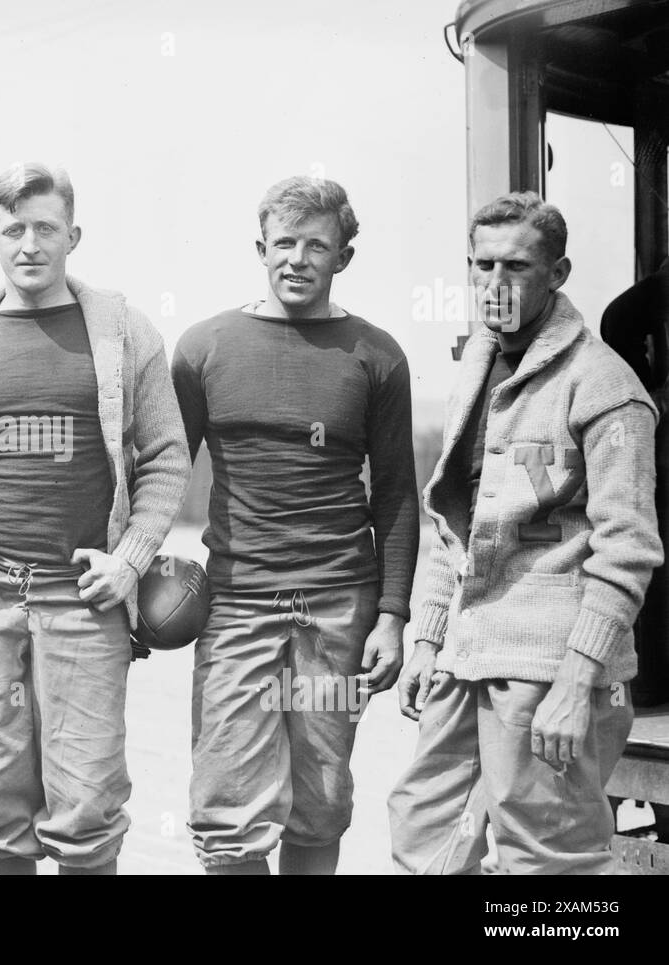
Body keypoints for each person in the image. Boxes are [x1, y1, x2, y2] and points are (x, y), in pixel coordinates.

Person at [0, 162, 190, 875]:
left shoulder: (122, 332)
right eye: (14, 230)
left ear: (73, 235)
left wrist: (130, 558)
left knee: (86, 805)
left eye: (45, 228)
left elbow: (167, 457)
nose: (30, 244)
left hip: (82, 602)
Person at [388, 191, 663, 874]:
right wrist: (426, 636)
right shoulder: (477, 370)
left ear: (558, 273)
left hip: (550, 666)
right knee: (424, 841)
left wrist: (577, 681)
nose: (494, 284)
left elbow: (627, 548)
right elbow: (453, 518)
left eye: (516, 267)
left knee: (549, 864)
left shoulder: (606, 386)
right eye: (482, 266)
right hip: (466, 652)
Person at [172, 176, 419, 875]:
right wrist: (136, 570)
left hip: (337, 610)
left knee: (320, 799)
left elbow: (397, 492)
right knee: (227, 812)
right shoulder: (204, 347)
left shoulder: (376, 355)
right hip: (237, 604)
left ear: (343, 256)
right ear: (260, 247)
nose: (298, 258)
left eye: (318, 244)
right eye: (285, 242)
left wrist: (392, 615)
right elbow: (158, 475)